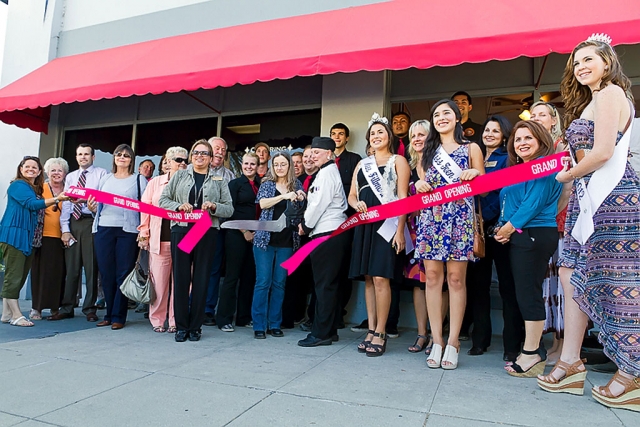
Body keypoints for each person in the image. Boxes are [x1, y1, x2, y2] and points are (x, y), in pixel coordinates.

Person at [538, 36, 640, 411]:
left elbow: (602, 153)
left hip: (613, 199)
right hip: (589, 199)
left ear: (607, 61)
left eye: (588, 60)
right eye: (576, 62)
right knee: (571, 276)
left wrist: (566, 176)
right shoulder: (593, 99)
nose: (581, 67)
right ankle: (571, 360)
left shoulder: (611, 92)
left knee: (618, 282)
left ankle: (632, 373)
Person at [414, 99, 485, 370]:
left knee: (456, 280)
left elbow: (485, 188)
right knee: (432, 279)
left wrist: (476, 173)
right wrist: (418, 183)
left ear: (458, 118)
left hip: (460, 219)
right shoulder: (427, 150)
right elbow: (421, 182)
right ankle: (437, 340)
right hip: (432, 219)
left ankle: (453, 342)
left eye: (447, 113)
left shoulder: (472, 148)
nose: (441, 117)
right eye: (436, 114)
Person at [492, 121, 561, 377]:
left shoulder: (544, 167)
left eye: (528, 138)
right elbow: (510, 203)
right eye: (518, 139)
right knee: (522, 293)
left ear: (541, 140)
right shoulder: (520, 169)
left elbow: (533, 205)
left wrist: (507, 229)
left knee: (529, 294)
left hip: (534, 234)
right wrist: (504, 228)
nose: (522, 143)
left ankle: (532, 353)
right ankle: (532, 350)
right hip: (520, 235)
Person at [159, 139, 233, 342]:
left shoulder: (219, 180)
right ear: (192, 156)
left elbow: (229, 208)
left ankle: (195, 327)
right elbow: (163, 201)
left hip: (206, 230)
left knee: (202, 279)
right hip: (182, 230)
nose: (199, 156)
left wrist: (215, 206)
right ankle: (181, 326)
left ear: (211, 158)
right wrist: (179, 206)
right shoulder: (180, 175)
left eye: (204, 153)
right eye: (196, 152)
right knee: (181, 279)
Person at [348, 113, 410, 357]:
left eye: (380, 132)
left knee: (382, 277)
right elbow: (352, 194)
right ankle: (371, 328)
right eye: (372, 133)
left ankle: (382, 331)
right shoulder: (362, 165)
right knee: (369, 278)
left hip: (388, 226)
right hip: (365, 225)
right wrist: (356, 204)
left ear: (389, 136)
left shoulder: (399, 161)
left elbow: (404, 197)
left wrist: (400, 230)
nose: (376, 136)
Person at [465, 116, 522, 361]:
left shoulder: (507, 159)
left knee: (508, 287)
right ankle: (480, 339)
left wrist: (489, 220)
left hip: (500, 230)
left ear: (504, 135)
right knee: (478, 287)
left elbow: (504, 193)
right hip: (477, 231)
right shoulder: (473, 158)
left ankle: (512, 345)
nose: (489, 134)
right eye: (486, 129)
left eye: (495, 130)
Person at [0, 156, 71, 327]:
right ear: (21, 168)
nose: (30, 169)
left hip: (26, 237)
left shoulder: (33, 188)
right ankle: (17, 315)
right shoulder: (18, 185)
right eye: (27, 166)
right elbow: (32, 205)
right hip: (14, 235)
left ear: (39, 171)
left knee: (20, 275)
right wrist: (57, 199)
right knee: (14, 276)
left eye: (34, 167)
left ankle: (6, 313)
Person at [86, 144, 147, 330]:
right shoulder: (105, 178)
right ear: (114, 157)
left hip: (127, 230)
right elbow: (97, 206)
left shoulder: (139, 179)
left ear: (131, 160)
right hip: (104, 228)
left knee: (123, 272)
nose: (122, 158)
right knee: (106, 272)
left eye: (126, 156)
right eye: (118, 154)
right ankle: (109, 314)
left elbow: (145, 208)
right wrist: (92, 208)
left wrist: (144, 233)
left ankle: (119, 316)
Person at [297, 137, 350, 346]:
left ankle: (321, 334)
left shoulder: (327, 173)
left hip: (326, 232)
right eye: (311, 153)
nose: (312, 156)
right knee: (330, 284)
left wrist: (304, 225)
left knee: (324, 285)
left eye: (317, 153)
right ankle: (330, 329)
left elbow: (318, 205)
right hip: (333, 233)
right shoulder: (327, 171)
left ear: (329, 153)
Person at [530, 101, 570, 365]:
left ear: (554, 120)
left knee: (563, 288)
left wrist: (549, 215)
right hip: (544, 226)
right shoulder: (536, 152)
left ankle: (565, 345)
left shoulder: (561, 147)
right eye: (532, 115)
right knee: (551, 286)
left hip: (561, 226)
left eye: (542, 115)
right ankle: (556, 342)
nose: (537, 118)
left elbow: (567, 189)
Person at [50, 144, 107, 322]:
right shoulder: (72, 177)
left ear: (93, 157)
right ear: (76, 157)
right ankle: (67, 307)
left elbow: (103, 199)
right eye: (80, 154)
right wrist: (65, 230)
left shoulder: (101, 174)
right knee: (72, 268)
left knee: (91, 268)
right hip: (73, 223)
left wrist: (93, 208)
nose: (83, 157)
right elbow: (66, 204)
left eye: (86, 154)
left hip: (91, 221)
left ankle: (90, 309)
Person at [252, 152, 304, 339]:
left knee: (280, 283)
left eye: (283, 164)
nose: (280, 167)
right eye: (277, 164)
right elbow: (263, 204)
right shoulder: (267, 184)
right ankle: (259, 325)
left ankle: (275, 324)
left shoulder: (296, 185)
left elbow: (301, 209)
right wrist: (284, 197)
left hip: (287, 241)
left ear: (289, 166)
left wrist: (300, 197)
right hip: (265, 241)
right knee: (263, 282)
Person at [137, 146, 188, 333]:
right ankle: (158, 320)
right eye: (178, 160)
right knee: (159, 282)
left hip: (185, 240)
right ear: (168, 161)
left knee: (182, 282)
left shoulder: (191, 183)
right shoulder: (155, 183)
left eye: (185, 160)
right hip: (160, 238)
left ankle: (176, 320)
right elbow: (145, 208)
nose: (182, 164)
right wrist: (143, 233)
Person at [216, 152, 261, 331]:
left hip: (256, 236)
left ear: (258, 166)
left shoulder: (261, 185)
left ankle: (243, 317)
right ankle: (224, 318)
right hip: (236, 234)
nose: (249, 167)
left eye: (253, 164)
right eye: (246, 164)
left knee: (249, 277)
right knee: (232, 277)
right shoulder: (234, 184)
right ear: (242, 165)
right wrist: (244, 231)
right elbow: (228, 210)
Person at [330, 122, 362, 327]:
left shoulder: (354, 159)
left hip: (348, 220)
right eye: (334, 134)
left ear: (347, 138)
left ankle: (339, 313)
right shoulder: (324, 160)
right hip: (326, 222)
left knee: (343, 268)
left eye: (341, 134)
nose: (337, 137)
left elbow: (356, 188)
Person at [29, 158, 69, 320]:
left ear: (65, 173)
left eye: (59, 170)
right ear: (46, 172)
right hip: (41, 236)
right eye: (53, 170)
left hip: (62, 238)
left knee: (57, 273)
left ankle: (54, 307)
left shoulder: (69, 190)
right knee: (39, 272)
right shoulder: (40, 189)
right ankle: (36, 308)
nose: (56, 173)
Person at [404, 120, 431, 353]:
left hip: (439, 232)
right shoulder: (409, 166)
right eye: (413, 135)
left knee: (439, 284)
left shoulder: (441, 163)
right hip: (414, 231)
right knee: (418, 284)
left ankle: (437, 334)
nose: (417, 138)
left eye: (422, 134)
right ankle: (422, 333)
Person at [203, 136, 235, 327]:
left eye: (223, 150)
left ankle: (207, 309)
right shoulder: (195, 170)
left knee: (213, 269)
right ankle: (186, 306)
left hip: (217, 228)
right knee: (190, 268)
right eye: (217, 148)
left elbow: (229, 207)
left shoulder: (230, 176)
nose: (220, 152)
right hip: (193, 228)